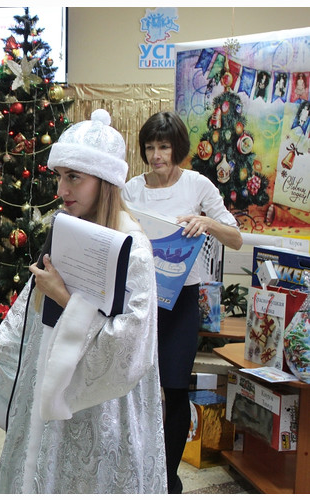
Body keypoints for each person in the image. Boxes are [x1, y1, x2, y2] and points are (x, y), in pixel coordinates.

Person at [0, 109, 167, 494]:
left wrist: (66, 298)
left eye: (73, 177)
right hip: (46, 411)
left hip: (101, 415)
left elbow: (129, 352)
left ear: (105, 180)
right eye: (60, 176)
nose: (61, 190)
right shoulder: (66, 230)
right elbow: (23, 324)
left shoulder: (133, 249)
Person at [122, 111, 242, 494]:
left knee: (175, 389)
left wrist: (206, 223)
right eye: (150, 147)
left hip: (182, 300)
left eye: (164, 147)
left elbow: (236, 238)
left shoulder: (198, 185)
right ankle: (134, 470)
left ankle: (167, 479)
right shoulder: (130, 190)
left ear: (178, 149)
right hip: (138, 299)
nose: (156, 156)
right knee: (129, 387)